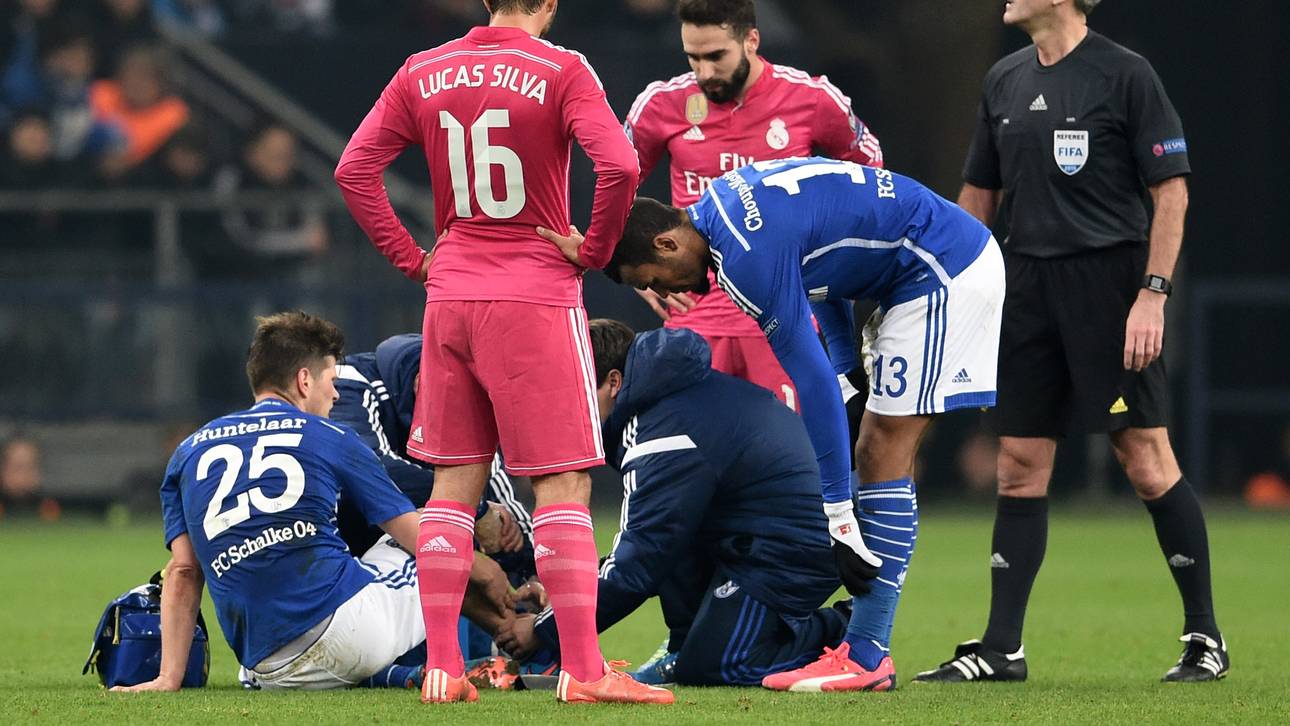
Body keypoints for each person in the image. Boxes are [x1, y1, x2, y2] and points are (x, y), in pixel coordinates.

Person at [549, 156, 1004, 691]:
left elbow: (809, 377)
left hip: (941, 268)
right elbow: (823, 272)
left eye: (654, 280)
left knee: (882, 450)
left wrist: (838, 517)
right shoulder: (723, 203)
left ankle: (866, 654)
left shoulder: (742, 259)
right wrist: (846, 368)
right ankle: (858, 646)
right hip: (923, 262)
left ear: (666, 244)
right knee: (873, 444)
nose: (669, 294)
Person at [334, 0, 670, 705]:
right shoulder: (562, 68)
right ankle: (584, 672)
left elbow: (354, 170)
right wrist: (596, 250)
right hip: (535, 295)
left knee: (453, 486)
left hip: (451, 297)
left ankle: (444, 669)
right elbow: (619, 165)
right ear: (549, 4)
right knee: (562, 484)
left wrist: (414, 260)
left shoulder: (422, 70)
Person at [912, 0, 1227, 685]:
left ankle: (1205, 635)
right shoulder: (1004, 78)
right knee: (1018, 462)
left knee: (1144, 458)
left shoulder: (1127, 74)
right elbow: (979, 194)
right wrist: (951, 283)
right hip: (1026, 287)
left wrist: (1153, 294)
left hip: (1108, 286)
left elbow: (1171, 194)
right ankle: (1002, 648)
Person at [111, 312, 509, 692]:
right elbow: (419, 540)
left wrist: (169, 678)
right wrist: (487, 568)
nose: (335, 393)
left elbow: (183, 571)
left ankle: (396, 673)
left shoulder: (187, 452)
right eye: (331, 379)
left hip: (264, 664)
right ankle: (499, 639)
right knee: (439, 531)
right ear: (304, 380)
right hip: (350, 634)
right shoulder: (330, 436)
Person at [497, 320, 849, 686]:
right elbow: (655, 542)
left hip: (789, 547)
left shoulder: (661, 429)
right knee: (672, 543)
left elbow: (639, 561)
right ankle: (684, 645)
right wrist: (561, 596)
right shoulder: (666, 398)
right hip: (756, 537)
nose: (564, 408)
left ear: (614, 382)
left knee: (719, 665)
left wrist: (545, 629)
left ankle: (851, 629)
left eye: (573, 391)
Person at [623, 0, 882, 408]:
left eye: (716, 56)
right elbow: (615, 186)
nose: (705, 72)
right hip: (695, 322)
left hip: (784, 322)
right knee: (700, 447)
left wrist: (839, 267)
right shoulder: (661, 103)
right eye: (693, 58)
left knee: (790, 447)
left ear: (751, 41)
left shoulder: (811, 98)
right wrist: (638, 271)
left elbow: (870, 174)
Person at [329, 333, 532, 572]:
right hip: (340, 551)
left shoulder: (466, 407)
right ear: (420, 381)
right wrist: (474, 509)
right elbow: (368, 469)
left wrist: (531, 568)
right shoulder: (349, 381)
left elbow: (500, 497)